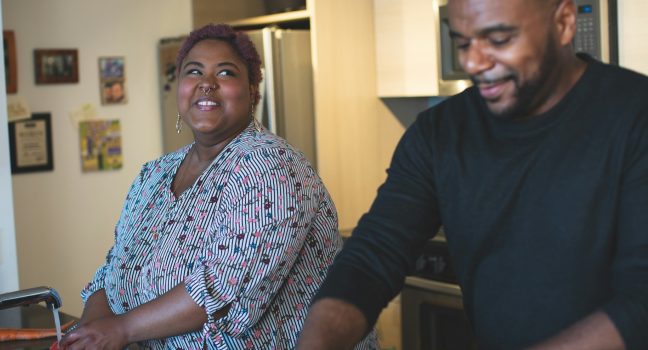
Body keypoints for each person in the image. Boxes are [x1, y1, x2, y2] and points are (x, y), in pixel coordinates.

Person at [297, 0, 648, 349]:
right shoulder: (439, 133)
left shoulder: (635, 115)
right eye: (463, 43)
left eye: (498, 40)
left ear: (564, 23)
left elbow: (640, 304)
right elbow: (372, 259)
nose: (472, 62)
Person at [59, 23, 375, 349]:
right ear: (180, 86)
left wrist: (119, 330)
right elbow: (114, 269)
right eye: (194, 72)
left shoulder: (271, 166)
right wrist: (92, 329)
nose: (206, 84)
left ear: (253, 90)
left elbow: (221, 288)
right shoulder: (153, 175)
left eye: (225, 73)